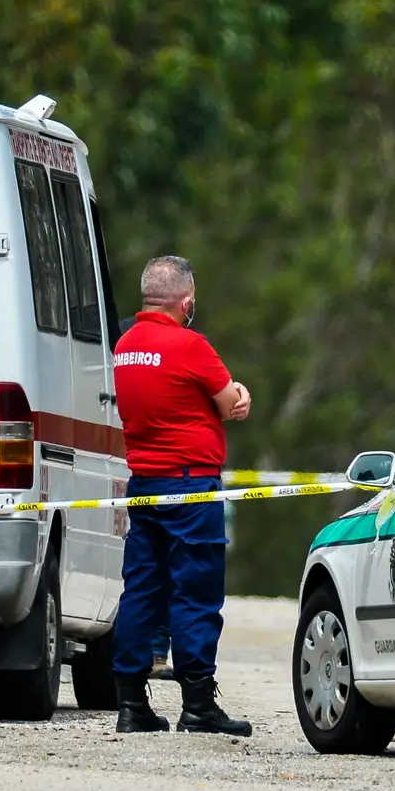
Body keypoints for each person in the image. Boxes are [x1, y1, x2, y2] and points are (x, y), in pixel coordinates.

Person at [109, 255, 254, 736]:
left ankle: (131, 704)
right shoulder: (191, 345)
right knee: (195, 592)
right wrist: (240, 395)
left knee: (142, 591)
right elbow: (229, 402)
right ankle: (198, 704)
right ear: (186, 300)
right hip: (191, 486)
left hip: (145, 485)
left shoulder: (125, 345)